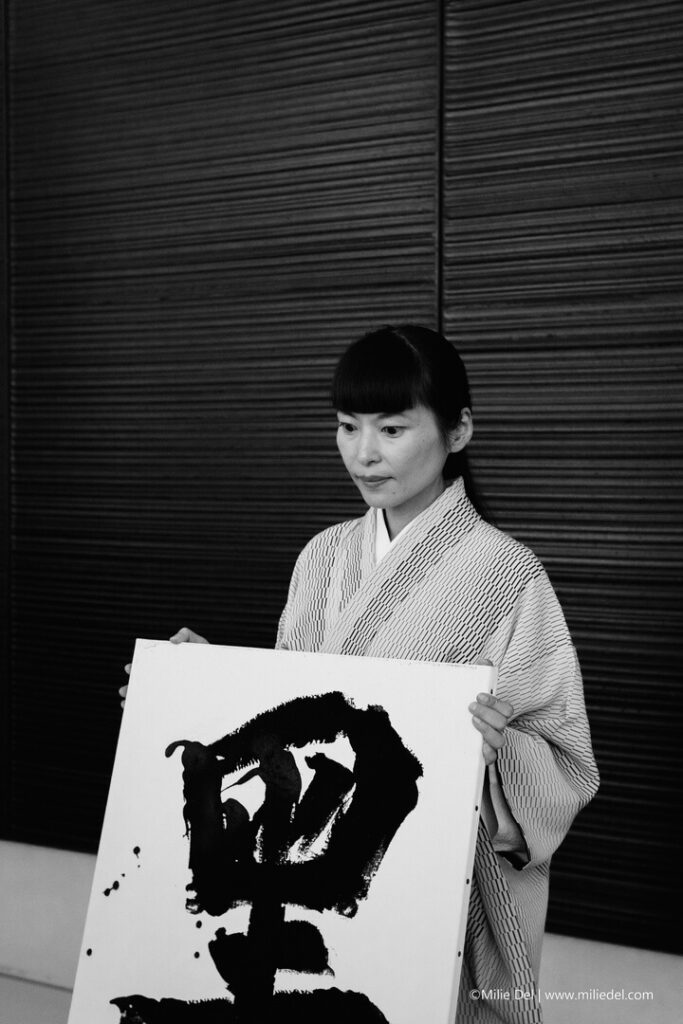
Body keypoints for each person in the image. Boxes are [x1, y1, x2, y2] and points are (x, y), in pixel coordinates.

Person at [121, 324, 598, 1023]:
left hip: (418, 879)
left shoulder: (507, 574)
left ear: (458, 430)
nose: (363, 453)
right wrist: (192, 687)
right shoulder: (322, 556)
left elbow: (564, 759)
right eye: (348, 426)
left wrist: (499, 757)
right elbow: (290, 715)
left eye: (392, 428)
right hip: (309, 856)